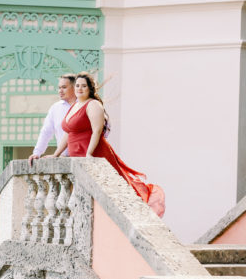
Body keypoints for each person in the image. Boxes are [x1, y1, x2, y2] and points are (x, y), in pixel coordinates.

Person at [57, 73, 165, 217]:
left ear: (90, 88)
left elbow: (97, 130)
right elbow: (68, 133)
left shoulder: (93, 104)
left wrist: (89, 153)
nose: (80, 89)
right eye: (77, 86)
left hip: (94, 152)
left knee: (116, 189)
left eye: (84, 86)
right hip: (77, 156)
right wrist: (56, 153)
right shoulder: (75, 106)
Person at [28, 74, 77, 164]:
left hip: (83, 157)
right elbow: (46, 132)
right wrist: (37, 153)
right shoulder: (55, 108)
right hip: (63, 159)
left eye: (64, 87)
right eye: (59, 88)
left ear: (74, 88)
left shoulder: (85, 105)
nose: (60, 91)